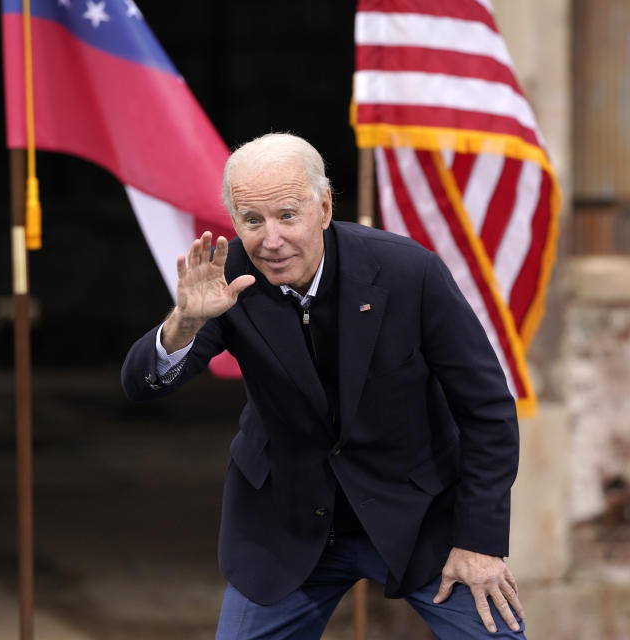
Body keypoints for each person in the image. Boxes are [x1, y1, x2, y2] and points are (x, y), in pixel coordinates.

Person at [121, 133, 525, 638]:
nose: (271, 240)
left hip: (418, 516)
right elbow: (143, 385)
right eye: (252, 220)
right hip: (284, 522)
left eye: (287, 215)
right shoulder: (229, 281)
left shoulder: (407, 271)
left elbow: (487, 411)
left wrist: (479, 541)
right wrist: (184, 322)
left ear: (325, 206)